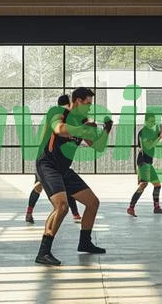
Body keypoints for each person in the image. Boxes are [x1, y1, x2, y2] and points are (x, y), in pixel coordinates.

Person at [34, 87, 112, 265]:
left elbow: (97, 146)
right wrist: (82, 129)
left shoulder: (83, 120)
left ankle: (85, 242)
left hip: (64, 169)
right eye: (87, 104)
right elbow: (59, 129)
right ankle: (43, 251)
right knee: (62, 206)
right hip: (47, 165)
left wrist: (106, 131)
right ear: (76, 101)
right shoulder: (58, 112)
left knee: (93, 203)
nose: (89, 108)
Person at [25, 94, 80, 223]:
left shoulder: (59, 115)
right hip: (47, 159)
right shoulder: (58, 114)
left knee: (39, 186)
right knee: (44, 185)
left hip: (49, 157)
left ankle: (29, 212)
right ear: (68, 104)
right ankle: (75, 214)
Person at [128, 111, 162, 216]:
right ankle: (131, 208)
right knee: (144, 184)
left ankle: (156, 208)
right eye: (150, 121)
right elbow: (149, 146)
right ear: (146, 121)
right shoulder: (144, 132)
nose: (152, 123)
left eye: (154, 122)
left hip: (148, 162)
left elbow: (156, 138)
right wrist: (160, 137)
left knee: (157, 185)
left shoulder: (150, 132)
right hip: (143, 161)